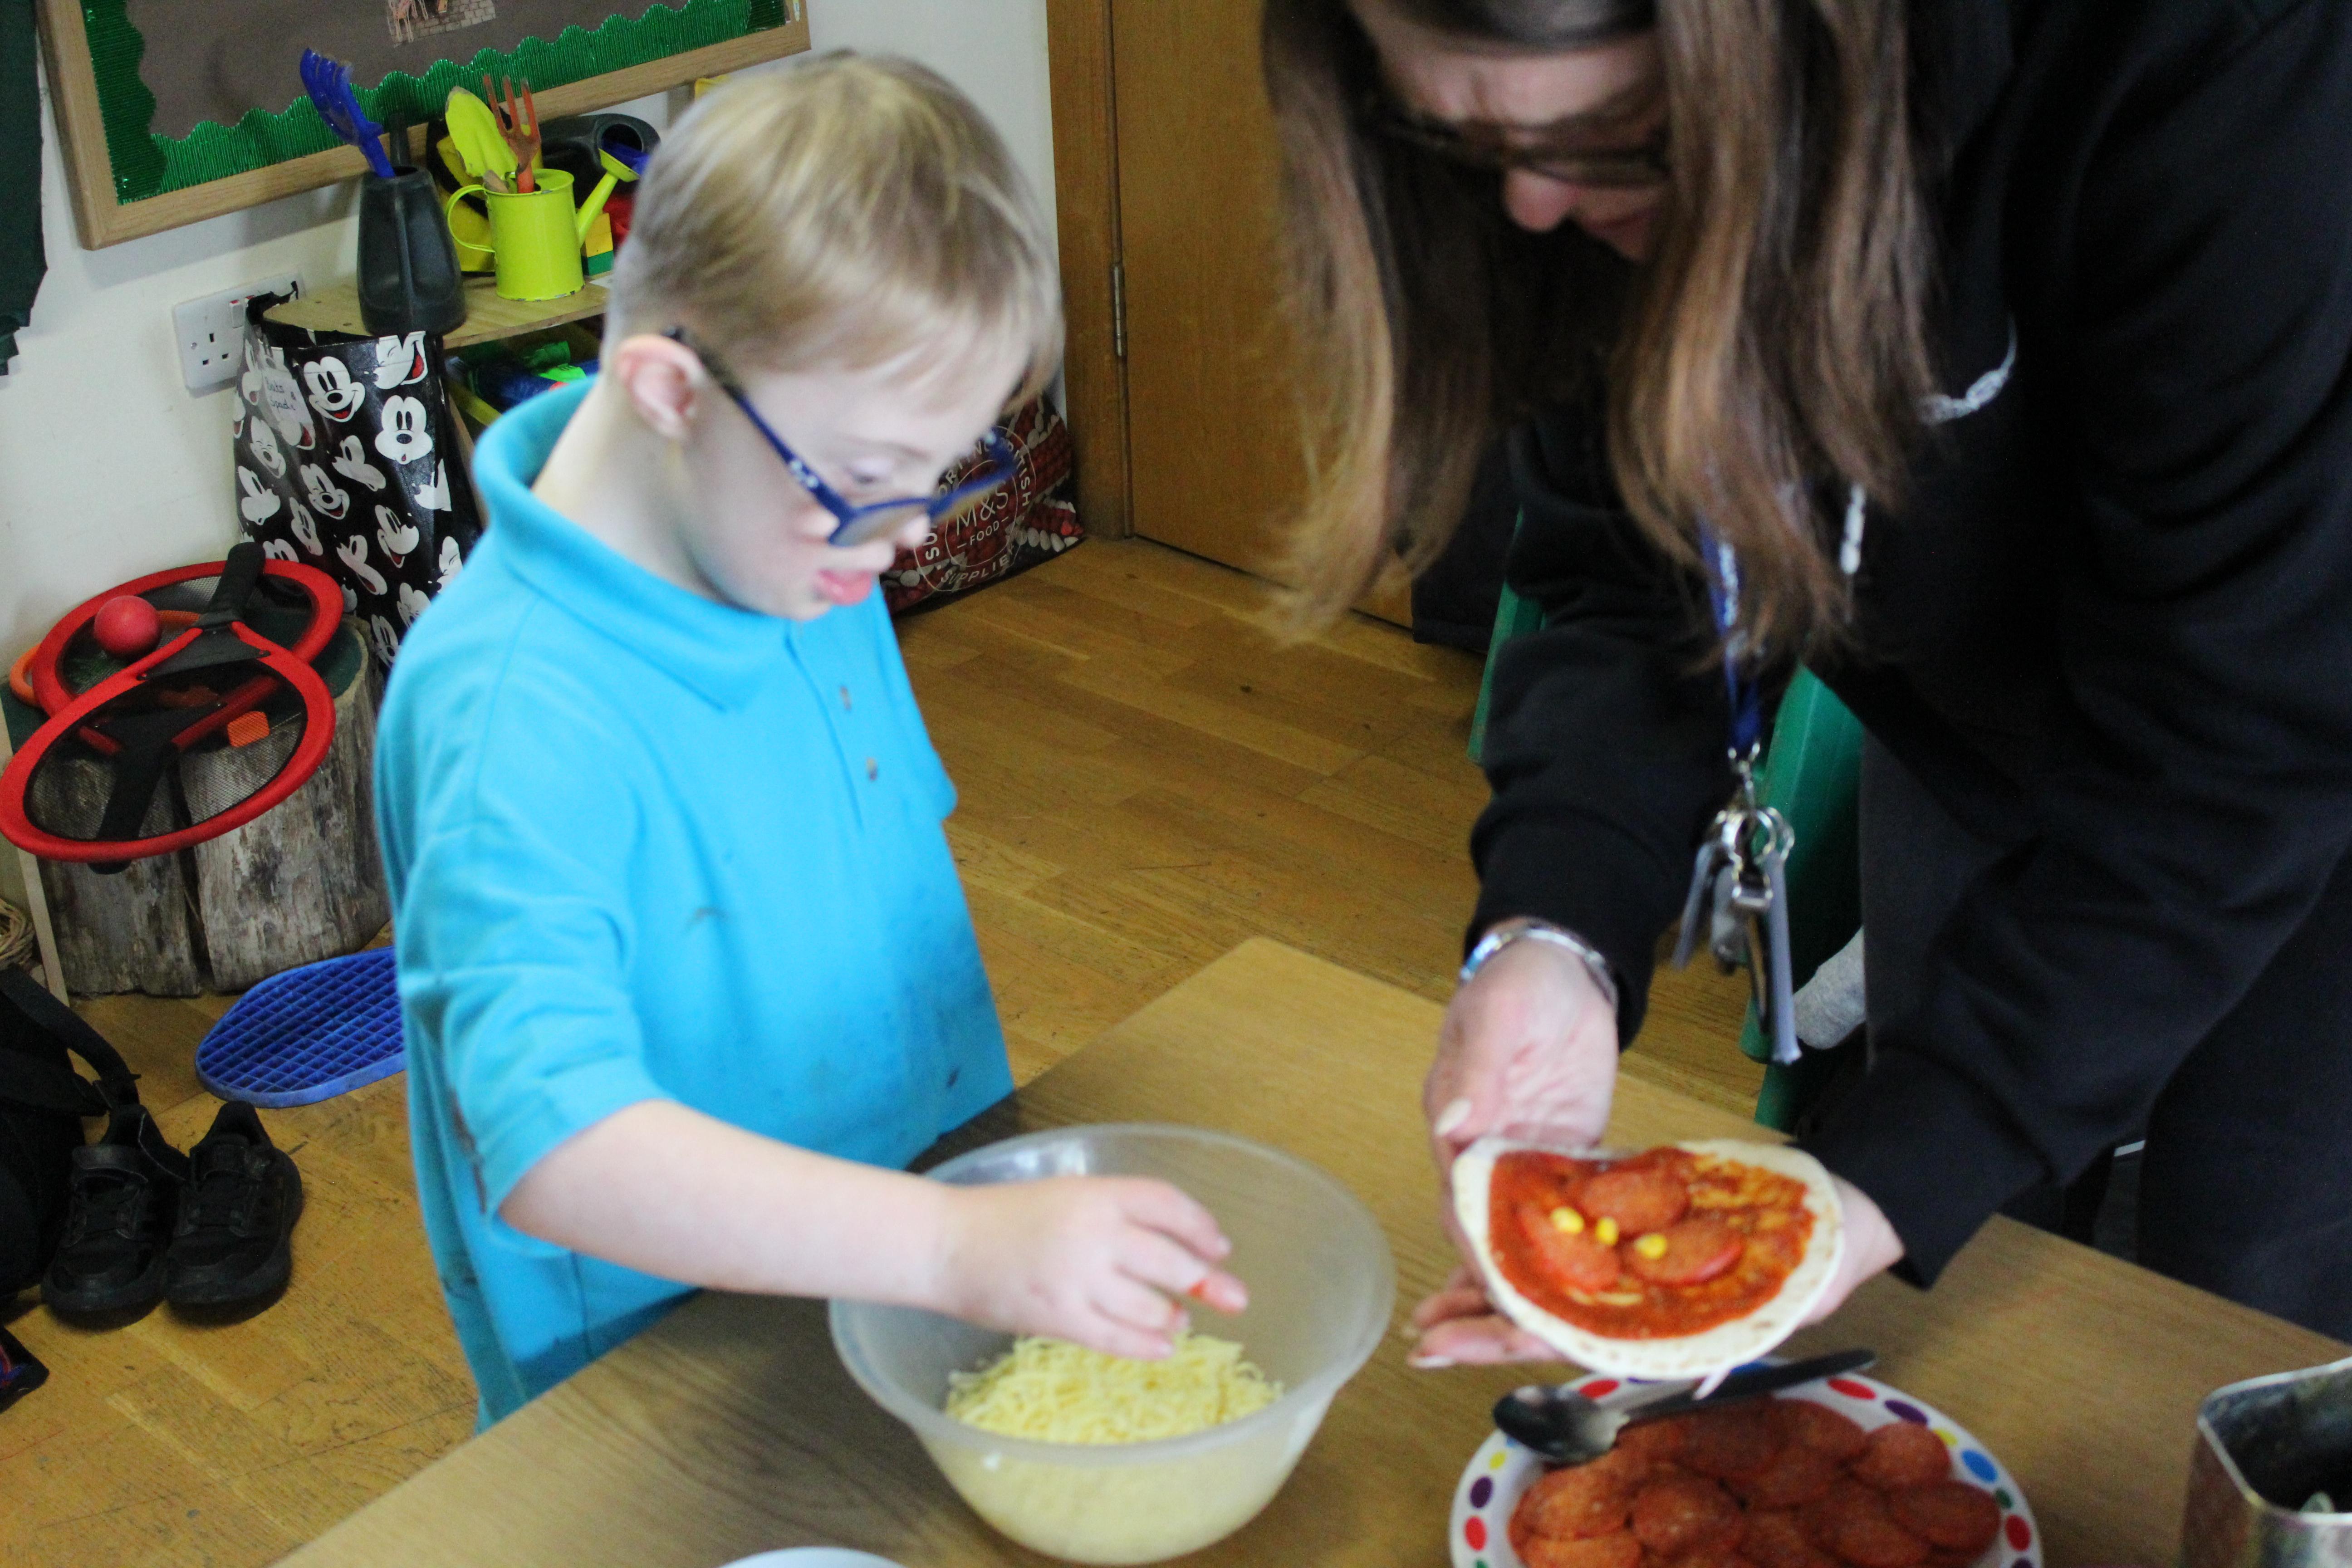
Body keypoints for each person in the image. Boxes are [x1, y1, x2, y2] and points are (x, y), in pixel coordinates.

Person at [1260, 0, 2352, 1351]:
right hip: (1968, 726)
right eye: (1470, 144)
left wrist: (1882, 1179)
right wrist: (1558, 932)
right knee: (1974, 1249)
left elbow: (2242, 748)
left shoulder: (2221, 59)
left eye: (1609, 137)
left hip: (2304, 735)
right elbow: (1632, 563)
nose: (1532, 207)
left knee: (2251, 1281)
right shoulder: (1564, 199)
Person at [374, 58, 1245, 1426]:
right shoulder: (512, 718)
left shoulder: (796, 550)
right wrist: (952, 1247)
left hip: (906, 1259)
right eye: (868, 481)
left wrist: (964, 1230)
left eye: (937, 475)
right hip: (673, 1383)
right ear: (670, 392)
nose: (905, 540)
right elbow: (554, 1152)